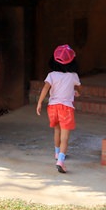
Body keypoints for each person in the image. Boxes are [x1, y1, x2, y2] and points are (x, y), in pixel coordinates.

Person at [35, 44, 81, 173]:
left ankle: (56, 153)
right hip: (66, 108)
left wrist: (39, 103)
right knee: (65, 137)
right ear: (72, 62)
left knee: (57, 130)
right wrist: (76, 92)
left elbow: (45, 88)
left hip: (53, 107)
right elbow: (79, 89)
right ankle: (61, 160)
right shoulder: (73, 76)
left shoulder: (51, 75)